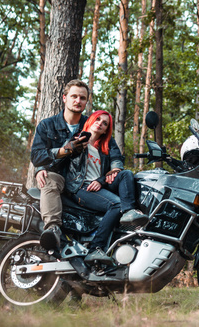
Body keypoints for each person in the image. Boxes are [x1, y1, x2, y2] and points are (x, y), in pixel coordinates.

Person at [30, 80, 144, 251]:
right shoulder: (48, 125)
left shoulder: (90, 123)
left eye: (82, 98)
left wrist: (115, 169)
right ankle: (53, 229)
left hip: (88, 181)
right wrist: (50, 161)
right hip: (61, 176)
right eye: (74, 96)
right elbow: (37, 155)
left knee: (127, 176)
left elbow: (113, 152)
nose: (78, 101)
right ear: (64, 98)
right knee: (49, 179)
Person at [65, 110, 148, 264]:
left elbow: (117, 160)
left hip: (99, 185)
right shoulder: (77, 139)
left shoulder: (106, 145)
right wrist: (76, 145)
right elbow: (66, 153)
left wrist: (105, 178)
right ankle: (95, 249)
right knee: (116, 204)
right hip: (81, 188)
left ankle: (129, 211)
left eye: (105, 123)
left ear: (106, 129)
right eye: (98, 120)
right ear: (90, 120)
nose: (100, 124)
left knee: (126, 174)